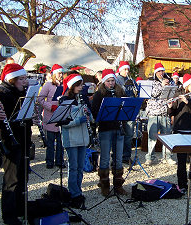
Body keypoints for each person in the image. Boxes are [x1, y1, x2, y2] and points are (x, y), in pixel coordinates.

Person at [0, 63, 32, 225]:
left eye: (25, 78)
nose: (25, 82)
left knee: (23, 175)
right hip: (10, 141)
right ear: (12, 80)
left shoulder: (22, 93)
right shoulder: (2, 94)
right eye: (22, 79)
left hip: (23, 138)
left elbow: (24, 117)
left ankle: (20, 207)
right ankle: (9, 215)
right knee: (12, 179)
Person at [91, 69, 127, 196]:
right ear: (103, 82)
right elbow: (94, 112)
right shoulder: (98, 95)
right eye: (108, 81)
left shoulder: (119, 92)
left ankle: (118, 185)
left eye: (112, 81)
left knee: (118, 157)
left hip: (118, 128)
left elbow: (126, 108)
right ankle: (104, 185)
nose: (111, 83)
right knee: (105, 157)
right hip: (105, 129)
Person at [168, 74, 191, 196]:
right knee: (181, 160)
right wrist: (170, 106)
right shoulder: (178, 95)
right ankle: (182, 185)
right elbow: (172, 112)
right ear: (187, 86)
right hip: (180, 130)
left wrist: (187, 101)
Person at [59, 74, 91, 208]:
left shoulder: (81, 99)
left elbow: (90, 116)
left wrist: (88, 115)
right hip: (71, 138)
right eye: (78, 85)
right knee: (73, 167)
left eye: (81, 85)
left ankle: (78, 190)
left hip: (83, 137)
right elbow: (62, 122)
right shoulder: (64, 100)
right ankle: (73, 193)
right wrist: (78, 120)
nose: (81, 88)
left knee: (79, 167)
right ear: (72, 86)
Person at [145, 63, 176, 165]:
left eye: (162, 71)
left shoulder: (169, 80)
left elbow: (173, 92)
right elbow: (152, 94)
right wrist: (162, 86)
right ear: (155, 73)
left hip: (165, 112)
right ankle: (150, 157)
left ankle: (167, 157)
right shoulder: (151, 82)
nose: (161, 73)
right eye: (158, 71)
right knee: (152, 136)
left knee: (167, 136)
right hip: (154, 112)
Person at [38, 64, 64, 169]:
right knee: (50, 142)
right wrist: (50, 106)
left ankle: (59, 160)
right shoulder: (48, 85)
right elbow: (40, 99)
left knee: (60, 142)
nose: (61, 75)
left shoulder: (64, 85)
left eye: (62, 73)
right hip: (50, 116)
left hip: (61, 116)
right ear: (54, 74)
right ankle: (49, 161)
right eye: (59, 73)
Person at [115, 61, 136, 164]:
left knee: (129, 134)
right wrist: (124, 87)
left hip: (129, 110)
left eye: (128, 69)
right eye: (125, 69)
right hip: (119, 110)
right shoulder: (116, 80)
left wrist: (136, 88)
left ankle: (126, 156)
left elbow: (137, 92)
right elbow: (117, 93)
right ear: (120, 70)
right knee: (119, 135)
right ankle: (118, 156)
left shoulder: (131, 80)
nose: (127, 71)